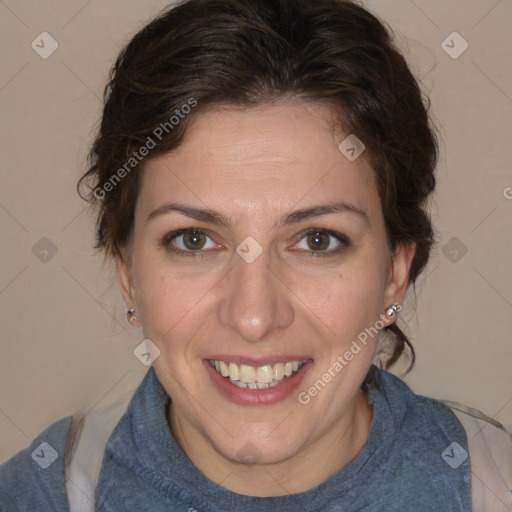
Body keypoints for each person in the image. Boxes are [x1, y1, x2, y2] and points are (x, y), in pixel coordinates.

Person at [1, 0, 511, 510]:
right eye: (194, 240)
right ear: (127, 271)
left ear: (395, 273)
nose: (253, 317)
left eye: (317, 240)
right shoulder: (38, 495)